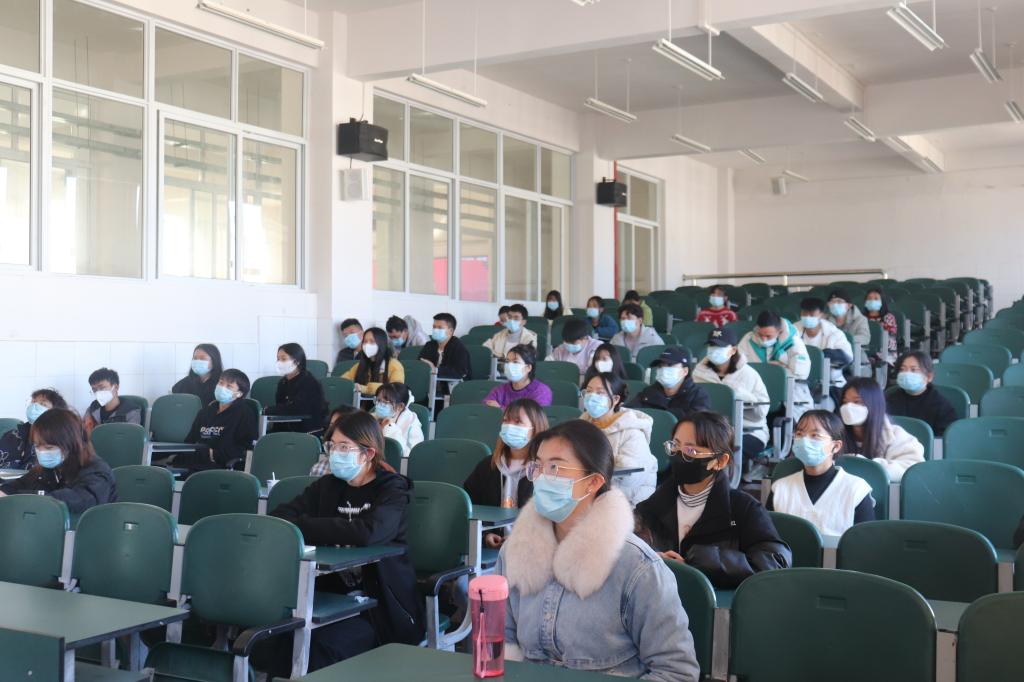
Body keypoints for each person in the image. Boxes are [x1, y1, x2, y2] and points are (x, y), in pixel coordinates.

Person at [496, 420, 700, 681]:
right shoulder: (515, 552)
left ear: (592, 482)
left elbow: (677, 672)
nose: (542, 477)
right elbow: (502, 643)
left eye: (555, 467)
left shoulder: (637, 566)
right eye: (538, 466)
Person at [271, 412, 424, 670]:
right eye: (332, 446)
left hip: (378, 608)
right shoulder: (327, 486)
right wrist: (333, 529)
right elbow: (281, 517)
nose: (335, 453)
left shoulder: (392, 489)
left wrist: (308, 526)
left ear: (368, 453)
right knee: (278, 641)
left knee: (322, 647)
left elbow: (370, 533)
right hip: (327, 598)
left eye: (344, 447)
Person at [635, 411, 791, 588]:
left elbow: (775, 561)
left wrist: (700, 562)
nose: (678, 455)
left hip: (716, 600)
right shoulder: (658, 501)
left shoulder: (743, 508)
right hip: (659, 595)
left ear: (720, 461)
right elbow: (629, 541)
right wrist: (654, 556)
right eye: (675, 446)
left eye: (691, 450)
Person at [767, 410, 875, 536]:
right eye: (799, 434)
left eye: (815, 435)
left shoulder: (856, 490)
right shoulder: (780, 488)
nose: (804, 441)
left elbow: (865, 541)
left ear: (836, 446)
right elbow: (766, 536)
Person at [0, 408, 117, 514]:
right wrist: (5, 492)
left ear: (71, 444)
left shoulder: (97, 471)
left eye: (49, 447)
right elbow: (17, 486)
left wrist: (35, 497)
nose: (41, 452)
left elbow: (79, 500)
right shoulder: (47, 469)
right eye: (37, 446)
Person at [463, 400, 546, 546]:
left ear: (535, 428)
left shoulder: (546, 470)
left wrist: (522, 539)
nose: (509, 426)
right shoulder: (488, 465)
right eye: (506, 420)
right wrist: (485, 535)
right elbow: (469, 507)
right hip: (492, 549)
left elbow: (551, 519)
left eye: (518, 421)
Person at [692, 328, 771, 462]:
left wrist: (743, 397)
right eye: (712, 345)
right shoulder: (699, 373)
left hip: (748, 431)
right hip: (710, 431)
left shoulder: (749, 374)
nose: (714, 350)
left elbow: (761, 413)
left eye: (720, 346)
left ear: (733, 350)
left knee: (722, 453)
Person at [581, 373, 656, 506]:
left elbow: (632, 479)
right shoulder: (581, 425)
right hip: (590, 493)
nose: (592, 396)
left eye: (600, 393)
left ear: (615, 399)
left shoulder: (633, 432)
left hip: (626, 501)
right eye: (589, 391)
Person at [839, 377, 924, 482]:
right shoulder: (833, 434)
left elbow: (913, 470)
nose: (848, 407)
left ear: (874, 404)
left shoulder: (897, 436)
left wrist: (867, 466)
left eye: (857, 401)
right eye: (845, 402)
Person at [180, 369, 259, 473]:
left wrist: (214, 454)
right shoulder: (205, 412)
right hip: (197, 461)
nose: (222, 388)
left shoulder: (244, 413)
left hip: (222, 465)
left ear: (239, 394)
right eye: (221, 383)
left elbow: (246, 447)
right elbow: (190, 441)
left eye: (229, 386)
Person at [738, 310, 812, 421]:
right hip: (756, 392)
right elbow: (738, 367)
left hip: (788, 394)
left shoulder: (794, 343)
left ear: (779, 331)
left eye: (768, 336)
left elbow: (801, 374)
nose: (764, 339)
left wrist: (779, 370)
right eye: (760, 335)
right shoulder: (747, 340)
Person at [886, 350, 957, 437]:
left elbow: (944, 438)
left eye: (913, 370)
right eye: (902, 369)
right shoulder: (889, 400)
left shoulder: (941, 406)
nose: (907, 374)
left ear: (929, 377)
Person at [795, 297, 853, 402]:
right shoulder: (793, 330)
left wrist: (826, 355)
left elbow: (848, 357)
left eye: (811, 315)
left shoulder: (834, 333)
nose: (807, 317)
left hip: (828, 382)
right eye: (804, 314)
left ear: (822, 315)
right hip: (799, 381)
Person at [628, 347, 711, 420]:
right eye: (660, 366)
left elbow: (699, 424)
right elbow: (628, 412)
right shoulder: (648, 392)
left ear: (685, 371)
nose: (663, 369)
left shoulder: (697, 395)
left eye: (669, 365)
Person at [265, 343, 327, 434]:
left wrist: (269, 410)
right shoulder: (282, 382)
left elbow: (298, 409)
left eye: (283, 359)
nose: (279, 362)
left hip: (306, 430)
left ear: (297, 361)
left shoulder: (309, 382)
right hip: (285, 427)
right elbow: (280, 407)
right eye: (278, 359)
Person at [0, 389, 69, 470]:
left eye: (43, 404)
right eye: (33, 402)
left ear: (56, 412)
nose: (34, 407)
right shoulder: (13, 435)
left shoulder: (64, 438)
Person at [342, 327, 405, 397]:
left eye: (372, 341)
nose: (367, 345)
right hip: (361, 403)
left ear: (381, 344)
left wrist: (364, 389)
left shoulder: (394, 365)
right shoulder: (359, 365)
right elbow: (343, 382)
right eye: (365, 341)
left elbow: (395, 390)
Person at [484, 345, 553, 409]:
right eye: (507, 361)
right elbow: (485, 409)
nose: (509, 365)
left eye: (515, 362)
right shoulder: (499, 390)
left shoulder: (541, 391)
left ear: (528, 367)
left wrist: (500, 409)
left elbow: (533, 415)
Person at [83, 368, 143, 437]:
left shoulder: (131, 412)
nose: (98, 392)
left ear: (116, 387)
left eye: (102, 388)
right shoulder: (92, 409)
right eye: (94, 389)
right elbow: (84, 435)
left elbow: (132, 438)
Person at [372, 383, 423, 459]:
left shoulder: (413, 427)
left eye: (385, 402)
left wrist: (390, 429)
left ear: (400, 406)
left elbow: (413, 456)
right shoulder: (373, 417)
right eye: (378, 400)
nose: (379, 405)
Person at [418, 313, 471, 384]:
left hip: (453, 386)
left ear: (451, 331)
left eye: (440, 328)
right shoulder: (429, 345)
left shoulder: (459, 348)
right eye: (434, 327)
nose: (435, 330)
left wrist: (435, 370)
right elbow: (420, 364)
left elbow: (460, 372)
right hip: (429, 384)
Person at [863, 288, 898, 367]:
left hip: (885, 352)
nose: (872, 301)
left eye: (876, 299)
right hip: (865, 350)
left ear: (882, 301)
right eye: (869, 298)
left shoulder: (888, 317)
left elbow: (889, 339)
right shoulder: (861, 318)